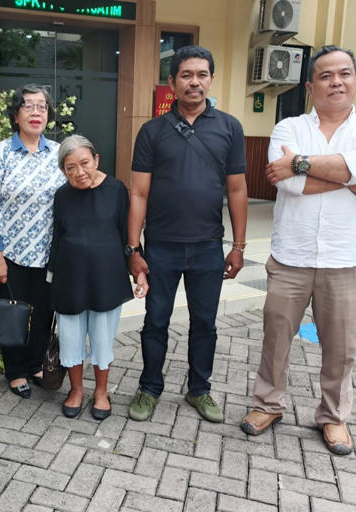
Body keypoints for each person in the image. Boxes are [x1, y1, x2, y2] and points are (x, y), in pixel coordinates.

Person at [241, 46, 356, 455]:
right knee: (276, 339)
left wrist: (304, 164)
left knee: (341, 347)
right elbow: (288, 182)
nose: (336, 82)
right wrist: (355, 180)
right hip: (291, 257)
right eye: (326, 76)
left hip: (345, 259)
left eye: (344, 74)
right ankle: (268, 405)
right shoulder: (288, 127)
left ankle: (333, 416)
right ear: (310, 87)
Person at [127, 45, 248, 424]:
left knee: (205, 324)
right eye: (186, 75)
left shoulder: (230, 128)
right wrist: (133, 248)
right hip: (161, 247)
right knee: (155, 322)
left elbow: (237, 190)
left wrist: (238, 246)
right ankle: (149, 387)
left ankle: (199, 389)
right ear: (172, 82)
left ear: (211, 80)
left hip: (208, 247)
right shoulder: (152, 131)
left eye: (201, 75)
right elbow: (138, 193)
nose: (194, 82)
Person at [49, 134, 146, 420]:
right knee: (70, 337)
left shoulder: (116, 190)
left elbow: (127, 235)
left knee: (102, 337)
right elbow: (57, 237)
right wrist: (51, 277)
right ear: (63, 171)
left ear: (96, 160)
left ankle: (101, 392)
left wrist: (138, 270)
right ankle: (76, 390)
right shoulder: (61, 195)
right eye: (71, 168)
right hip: (69, 276)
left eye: (85, 163)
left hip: (106, 275)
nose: (79, 172)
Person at [0, 84, 66, 398]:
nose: (36, 112)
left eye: (42, 106)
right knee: (12, 313)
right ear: (16, 115)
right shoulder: (1, 153)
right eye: (28, 106)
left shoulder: (58, 153)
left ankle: (35, 364)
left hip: (49, 252)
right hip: (10, 251)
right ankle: (15, 371)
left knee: (43, 312)